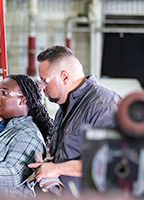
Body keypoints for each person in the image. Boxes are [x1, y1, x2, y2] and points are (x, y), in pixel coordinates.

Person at [28, 45, 122, 192]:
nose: (41, 87)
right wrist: (48, 164)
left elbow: (109, 162)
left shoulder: (104, 106)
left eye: (45, 80)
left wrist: (57, 168)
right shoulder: (63, 109)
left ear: (64, 77)